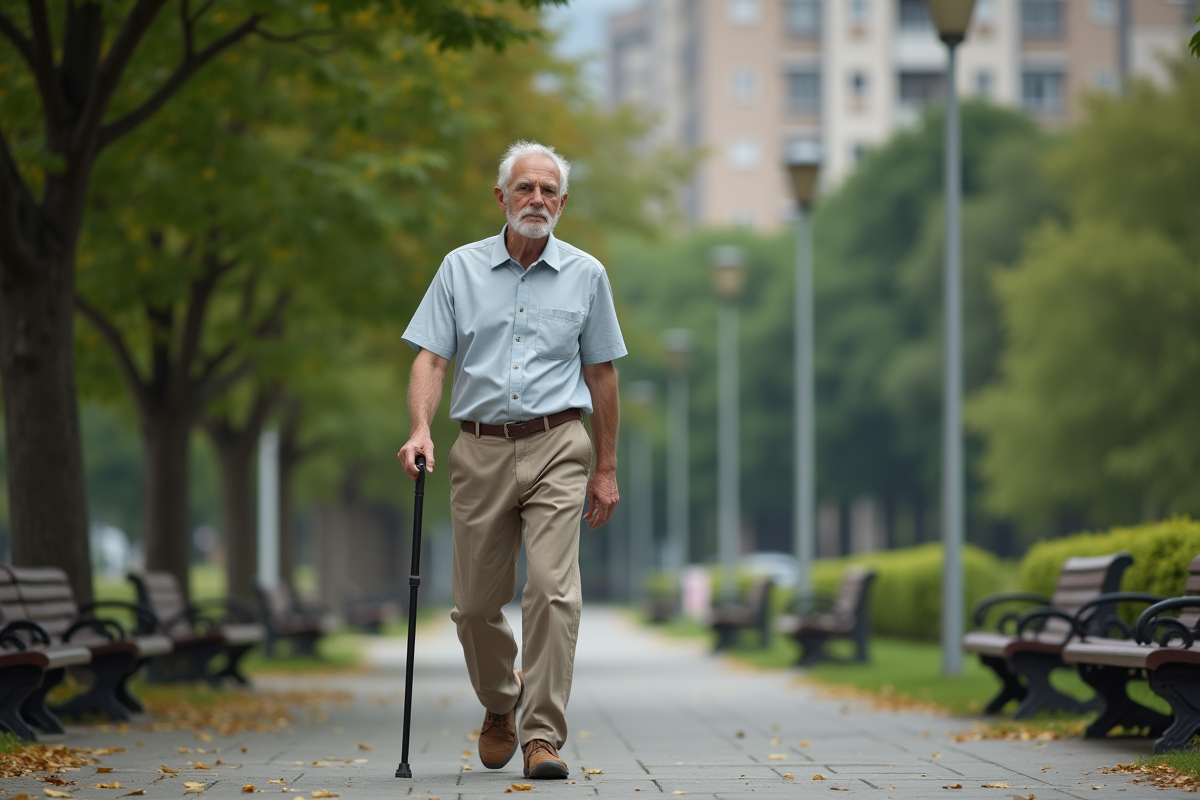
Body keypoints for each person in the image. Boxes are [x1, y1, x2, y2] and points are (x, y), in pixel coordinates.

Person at [397, 141, 625, 780]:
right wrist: (420, 429)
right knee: (473, 606)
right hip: (479, 448)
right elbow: (431, 358)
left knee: (552, 591)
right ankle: (502, 702)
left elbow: (602, 375)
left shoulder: (587, 275)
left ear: (563, 203)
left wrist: (605, 468)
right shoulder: (458, 270)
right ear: (501, 197)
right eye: (525, 188)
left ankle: (541, 737)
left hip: (559, 444)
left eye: (549, 191)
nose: (537, 200)